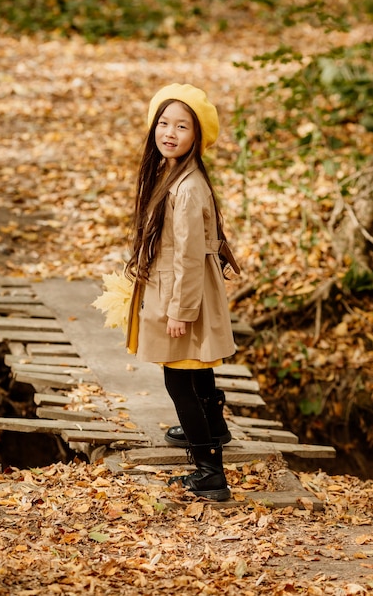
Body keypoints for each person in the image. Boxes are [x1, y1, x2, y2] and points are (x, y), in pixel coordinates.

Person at [125, 83, 239, 502]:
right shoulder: (174, 175)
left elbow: (189, 257)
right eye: (164, 123)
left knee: (180, 380)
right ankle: (216, 429)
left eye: (182, 126)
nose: (169, 133)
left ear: (197, 137)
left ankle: (209, 471)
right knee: (195, 370)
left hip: (183, 294)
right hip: (178, 289)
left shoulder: (188, 188)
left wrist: (181, 311)